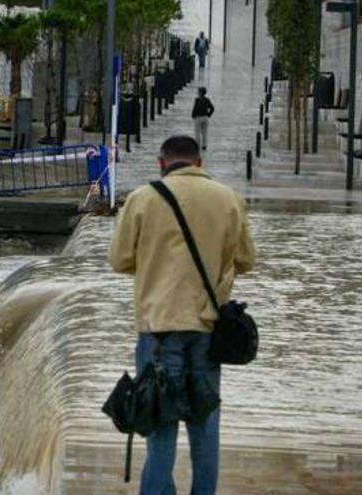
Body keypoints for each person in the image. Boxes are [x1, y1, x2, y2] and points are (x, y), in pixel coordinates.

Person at [108, 136, 256, 495]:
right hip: (207, 329)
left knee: (159, 423)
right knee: (205, 424)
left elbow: (120, 260)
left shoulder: (143, 199)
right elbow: (246, 260)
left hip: (158, 328)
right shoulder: (228, 200)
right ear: (199, 163)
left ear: (162, 163)